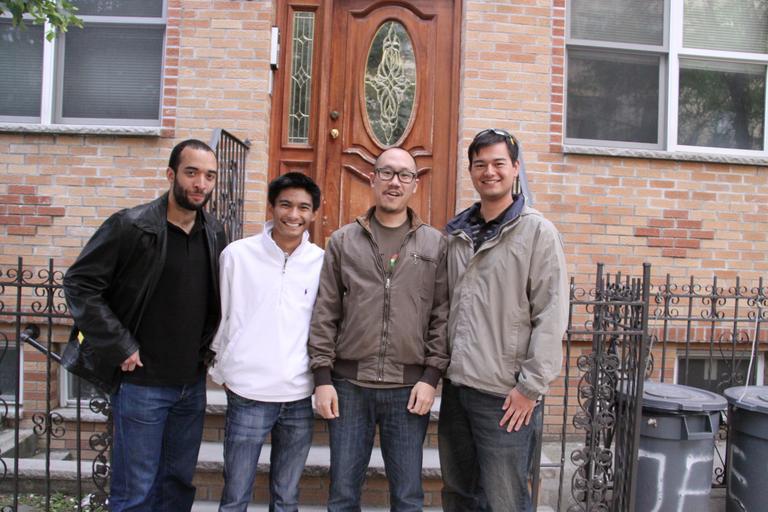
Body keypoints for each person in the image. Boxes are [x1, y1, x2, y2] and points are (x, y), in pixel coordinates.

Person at [63, 139, 228, 512]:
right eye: (191, 173)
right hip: (141, 384)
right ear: (171, 174)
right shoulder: (131, 226)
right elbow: (80, 284)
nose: (201, 183)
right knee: (135, 492)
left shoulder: (215, 232)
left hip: (190, 385)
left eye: (209, 176)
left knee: (177, 486)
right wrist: (120, 345)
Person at [308, 148, 449, 511]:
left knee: (407, 497)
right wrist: (322, 378)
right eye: (387, 173)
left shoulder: (435, 244)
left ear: (415, 185)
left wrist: (431, 377)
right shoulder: (343, 241)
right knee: (342, 494)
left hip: (408, 390)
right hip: (348, 387)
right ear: (372, 179)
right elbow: (325, 311)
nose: (394, 182)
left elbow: (442, 315)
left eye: (404, 175)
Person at [438, 129, 569, 512]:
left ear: (515, 168)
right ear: (471, 171)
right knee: (459, 494)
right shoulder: (457, 233)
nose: (489, 172)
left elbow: (551, 315)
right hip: (457, 388)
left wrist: (530, 388)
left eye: (498, 163)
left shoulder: (538, 233)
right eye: (480, 164)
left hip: (505, 397)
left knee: (505, 500)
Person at [209, 172, 324, 512]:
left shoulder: (321, 261)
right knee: (235, 496)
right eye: (286, 205)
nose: (294, 214)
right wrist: (222, 368)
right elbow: (221, 315)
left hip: (299, 393)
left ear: (313, 213)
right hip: (248, 392)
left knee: (286, 498)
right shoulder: (237, 255)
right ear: (271, 207)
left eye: (303, 207)